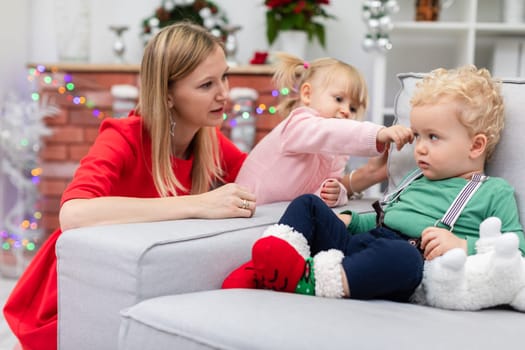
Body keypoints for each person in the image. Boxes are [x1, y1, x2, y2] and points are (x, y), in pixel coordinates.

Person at [3, 22, 256, 350]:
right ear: (167, 94)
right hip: (78, 289)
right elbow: (72, 214)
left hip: (139, 283)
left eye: (225, 76)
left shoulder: (209, 139)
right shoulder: (124, 136)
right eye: (207, 84)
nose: (224, 93)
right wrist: (199, 204)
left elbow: (260, 178)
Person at [223, 65, 525, 301]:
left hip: (407, 262)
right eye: (418, 135)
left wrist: (462, 244)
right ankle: (274, 262)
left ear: (476, 146)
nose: (419, 147)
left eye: (433, 137)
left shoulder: (492, 192)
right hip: (364, 245)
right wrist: (351, 222)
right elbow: (385, 220)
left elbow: (517, 250)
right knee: (309, 205)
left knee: (404, 258)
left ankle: (310, 280)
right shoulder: (415, 178)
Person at [235, 52, 414, 207]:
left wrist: (336, 194)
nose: (346, 110)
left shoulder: (336, 151)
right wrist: (378, 133)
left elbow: (326, 188)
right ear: (307, 94)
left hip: (281, 213)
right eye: (338, 99)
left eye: (353, 108)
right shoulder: (299, 125)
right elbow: (329, 132)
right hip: (248, 205)